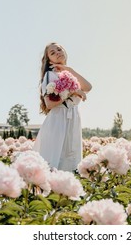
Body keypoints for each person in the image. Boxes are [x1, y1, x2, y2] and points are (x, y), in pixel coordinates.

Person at [33, 42, 92, 172]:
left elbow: (88, 87)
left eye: (59, 49)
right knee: (54, 160)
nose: (57, 52)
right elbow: (49, 104)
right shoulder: (50, 75)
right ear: (49, 60)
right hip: (58, 120)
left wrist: (68, 69)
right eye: (53, 53)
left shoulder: (69, 74)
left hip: (73, 118)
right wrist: (72, 92)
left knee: (71, 161)